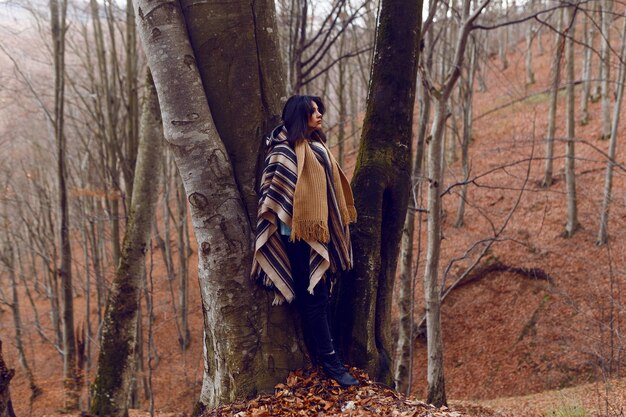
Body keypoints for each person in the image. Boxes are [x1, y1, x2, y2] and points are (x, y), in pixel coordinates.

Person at [251, 95, 359, 387]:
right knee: (314, 300)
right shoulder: (282, 152)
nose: (319, 113)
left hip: (319, 234)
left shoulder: (318, 146)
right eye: (312, 111)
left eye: (319, 109)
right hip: (295, 240)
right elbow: (271, 195)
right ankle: (332, 365)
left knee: (320, 299)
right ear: (301, 116)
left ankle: (329, 358)